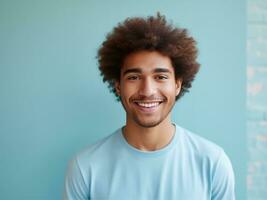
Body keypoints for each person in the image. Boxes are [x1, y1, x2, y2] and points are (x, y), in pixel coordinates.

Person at [63, 13, 235, 200]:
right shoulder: (85, 167)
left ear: (177, 84)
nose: (147, 91)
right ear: (118, 86)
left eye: (160, 77)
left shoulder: (212, 162)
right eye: (134, 77)